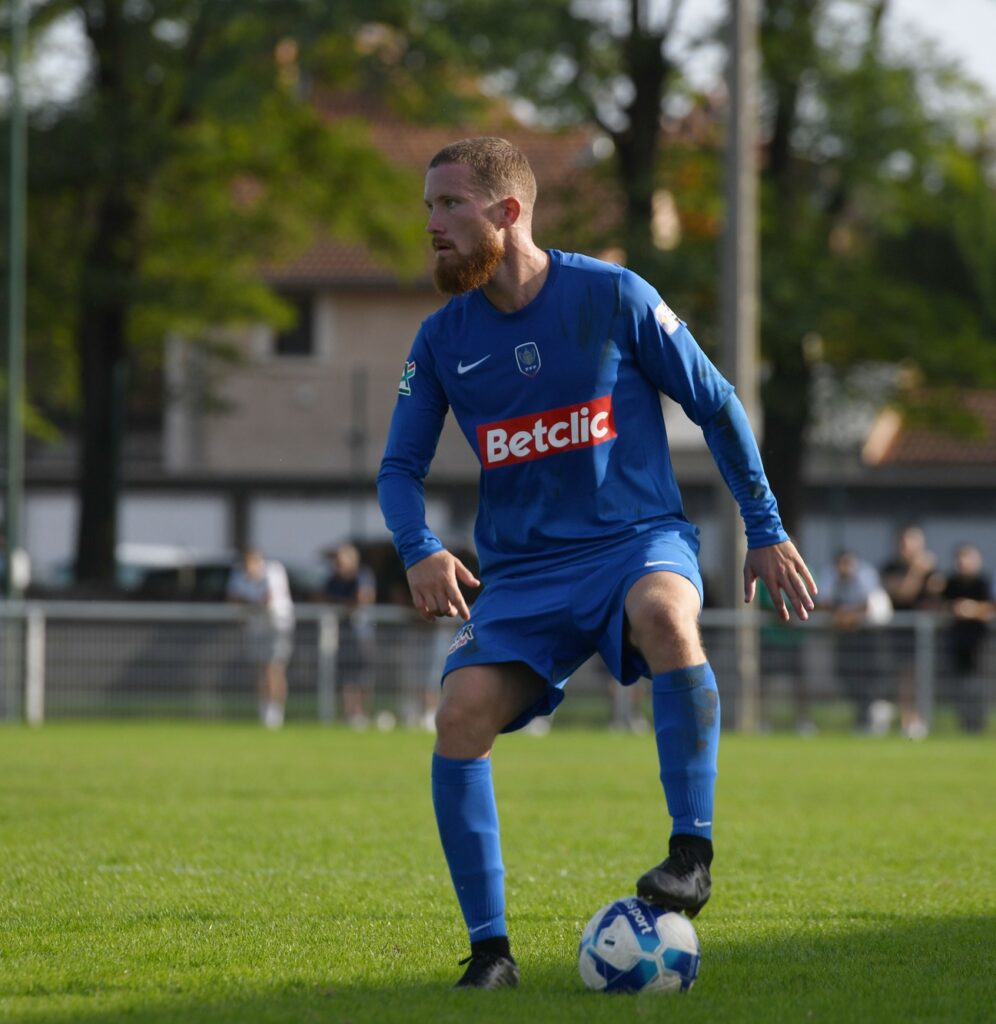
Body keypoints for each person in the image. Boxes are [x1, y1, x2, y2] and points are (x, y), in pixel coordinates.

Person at [376, 137, 816, 990]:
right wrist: (420, 546)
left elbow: (717, 404)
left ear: (507, 212)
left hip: (634, 541)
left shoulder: (613, 294)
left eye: (450, 206)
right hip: (524, 578)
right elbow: (400, 468)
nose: (431, 225)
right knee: (460, 714)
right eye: (428, 206)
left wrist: (763, 525)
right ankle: (491, 954)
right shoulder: (440, 340)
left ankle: (691, 854)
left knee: (663, 614)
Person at [879, 525, 945, 738]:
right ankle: (908, 719)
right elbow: (902, 594)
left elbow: (938, 595)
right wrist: (916, 571)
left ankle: (922, 717)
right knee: (905, 676)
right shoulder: (891, 567)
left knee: (923, 676)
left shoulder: (931, 570)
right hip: (901, 631)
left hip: (927, 633)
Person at [817, 550, 893, 733]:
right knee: (843, 673)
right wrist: (840, 617)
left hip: (868, 634)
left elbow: (868, 603)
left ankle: (871, 715)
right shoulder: (829, 575)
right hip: (843, 636)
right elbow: (824, 603)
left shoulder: (866, 574)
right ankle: (865, 714)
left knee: (869, 676)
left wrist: (848, 615)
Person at [226, 547, 295, 729]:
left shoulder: (273, 571)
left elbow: (267, 600)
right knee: (262, 669)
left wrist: (248, 603)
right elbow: (233, 598)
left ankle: (276, 712)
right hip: (256, 628)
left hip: (277, 626)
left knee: (274, 668)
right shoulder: (239, 574)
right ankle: (265, 709)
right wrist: (251, 603)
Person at [321, 542, 377, 728]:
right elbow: (321, 597)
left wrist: (340, 602)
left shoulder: (362, 575)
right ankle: (349, 714)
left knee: (362, 676)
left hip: (362, 636)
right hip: (341, 635)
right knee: (346, 676)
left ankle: (362, 714)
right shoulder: (333, 579)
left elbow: (362, 599)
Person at [940, 543, 993, 733]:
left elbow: (990, 607)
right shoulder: (950, 583)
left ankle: (979, 724)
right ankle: (964, 724)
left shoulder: (983, 582)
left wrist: (972, 609)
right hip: (956, 642)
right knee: (960, 686)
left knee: (979, 685)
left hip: (979, 643)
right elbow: (937, 604)